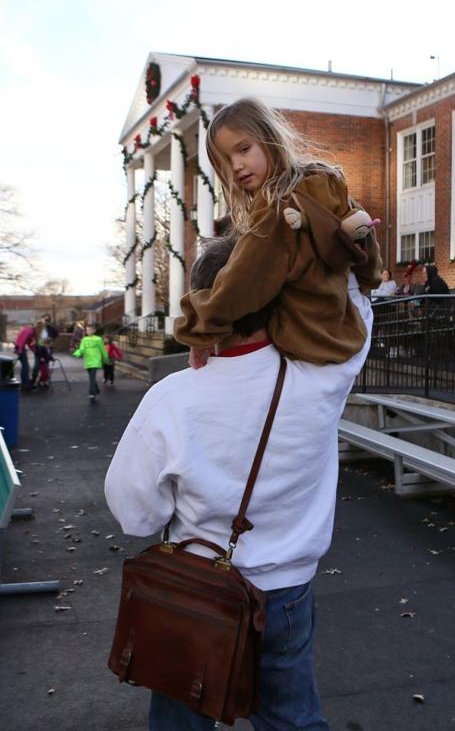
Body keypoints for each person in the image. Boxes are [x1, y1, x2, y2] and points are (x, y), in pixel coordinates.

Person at [106, 233, 373, 730]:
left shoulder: (173, 398)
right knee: (292, 718)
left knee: (181, 714)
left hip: (197, 588)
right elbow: (359, 305)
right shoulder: (323, 376)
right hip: (287, 588)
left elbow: (135, 514)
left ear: (208, 304)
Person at [174, 97, 382, 369]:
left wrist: (197, 329)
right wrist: (369, 278)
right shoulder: (324, 180)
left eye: (244, 149)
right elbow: (363, 232)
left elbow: (239, 285)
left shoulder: (274, 212)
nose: (236, 165)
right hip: (349, 329)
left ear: (270, 139)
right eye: (226, 159)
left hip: (308, 345)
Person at [72, 323, 109, 403]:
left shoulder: (98, 339)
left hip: (96, 361)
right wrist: (77, 353)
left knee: (92, 378)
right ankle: (96, 390)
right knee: (91, 378)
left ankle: (92, 394)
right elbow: (81, 349)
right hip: (88, 362)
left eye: (90, 330)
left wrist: (106, 359)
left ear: (94, 330)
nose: (89, 331)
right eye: (87, 330)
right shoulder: (84, 340)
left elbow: (103, 350)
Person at [13, 322, 36, 389]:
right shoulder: (29, 331)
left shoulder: (29, 331)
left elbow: (29, 343)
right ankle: (25, 384)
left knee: (25, 366)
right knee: (25, 366)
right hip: (20, 348)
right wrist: (20, 351)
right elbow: (22, 341)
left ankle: (25, 383)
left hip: (19, 348)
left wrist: (35, 351)